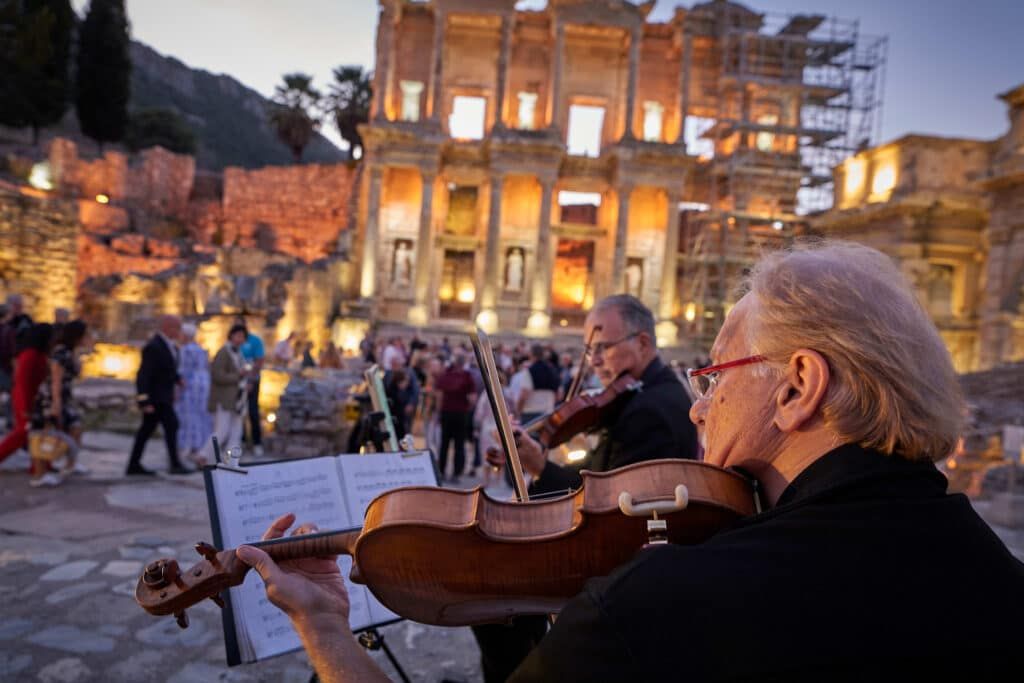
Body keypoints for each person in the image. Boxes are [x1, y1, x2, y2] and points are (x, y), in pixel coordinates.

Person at [237, 241, 1024, 682]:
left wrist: (328, 629)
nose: (696, 406)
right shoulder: (1001, 578)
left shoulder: (667, 605)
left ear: (799, 387)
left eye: (713, 374)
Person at [127, 315, 189, 476]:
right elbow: (144, 375)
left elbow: (166, 369)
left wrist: (177, 379)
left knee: (147, 431)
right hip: (156, 398)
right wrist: (144, 400)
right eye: (177, 328)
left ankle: (134, 465)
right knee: (171, 425)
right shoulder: (153, 346)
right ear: (168, 327)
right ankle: (174, 464)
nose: (180, 332)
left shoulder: (170, 346)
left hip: (164, 397)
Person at [33, 319, 90, 480]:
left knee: (76, 427)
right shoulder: (60, 353)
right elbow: (56, 379)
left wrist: (79, 353)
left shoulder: (71, 352)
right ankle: (39, 474)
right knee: (46, 433)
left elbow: (78, 371)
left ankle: (70, 463)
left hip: (64, 397)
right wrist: (56, 403)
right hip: (52, 397)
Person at [0, 323, 52, 472]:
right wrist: (24, 408)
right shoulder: (29, 355)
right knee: (23, 432)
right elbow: (22, 383)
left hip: (34, 399)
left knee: (36, 432)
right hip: (25, 398)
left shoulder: (38, 354)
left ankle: (39, 465)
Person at [433, 352, 475, 483]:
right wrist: (468, 406)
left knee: (444, 444)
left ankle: (441, 471)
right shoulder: (467, 376)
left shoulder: (445, 375)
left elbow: (439, 396)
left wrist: (438, 412)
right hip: (461, 414)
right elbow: (472, 398)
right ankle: (456, 474)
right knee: (459, 445)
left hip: (446, 413)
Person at [207, 324, 249, 457]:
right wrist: (238, 376)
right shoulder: (224, 352)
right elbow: (218, 375)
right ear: (231, 335)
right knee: (222, 431)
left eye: (243, 336)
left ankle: (230, 459)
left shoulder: (239, 353)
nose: (240, 339)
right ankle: (203, 455)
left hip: (237, 399)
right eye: (238, 336)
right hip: (225, 398)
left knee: (236, 431)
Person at [175, 323, 212, 466]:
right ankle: (200, 447)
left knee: (188, 417)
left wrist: (178, 389)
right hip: (204, 385)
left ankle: (190, 447)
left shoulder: (185, 350)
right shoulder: (200, 350)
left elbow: (183, 371)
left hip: (191, 387)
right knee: (201, 417)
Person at [510, 344, 560, 423]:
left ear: (530, 354)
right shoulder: (552, 370)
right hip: (548, 413)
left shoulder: (530, 371)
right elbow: (558, 395)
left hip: (531, 414)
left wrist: (518, 411)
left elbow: (524, 395)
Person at [240, 326, 265, 457]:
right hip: (238, 382)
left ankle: (257, 443)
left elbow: (259, 361)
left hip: (252, 381)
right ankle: (242, 441)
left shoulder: (255, 341)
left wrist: (250, 380)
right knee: (239, 412)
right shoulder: (233, 345)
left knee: (253, 411)